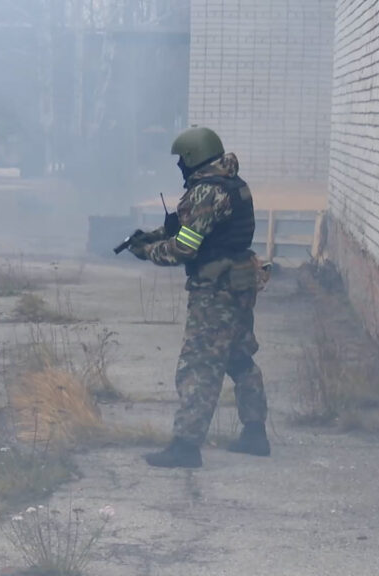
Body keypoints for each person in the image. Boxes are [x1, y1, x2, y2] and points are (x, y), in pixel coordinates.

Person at [127, 126, 269, 468]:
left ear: (194, 157)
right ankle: (255, 433)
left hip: (215, 292)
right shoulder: (231, 183)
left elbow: (185, 248)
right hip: (239, 284)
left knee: (199, 365)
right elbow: (197, 229)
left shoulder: (206, 191)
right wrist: (153, 235)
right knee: (238, 358)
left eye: (181, 159)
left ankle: (186, 446)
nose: (180, 166)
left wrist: (148, 251)